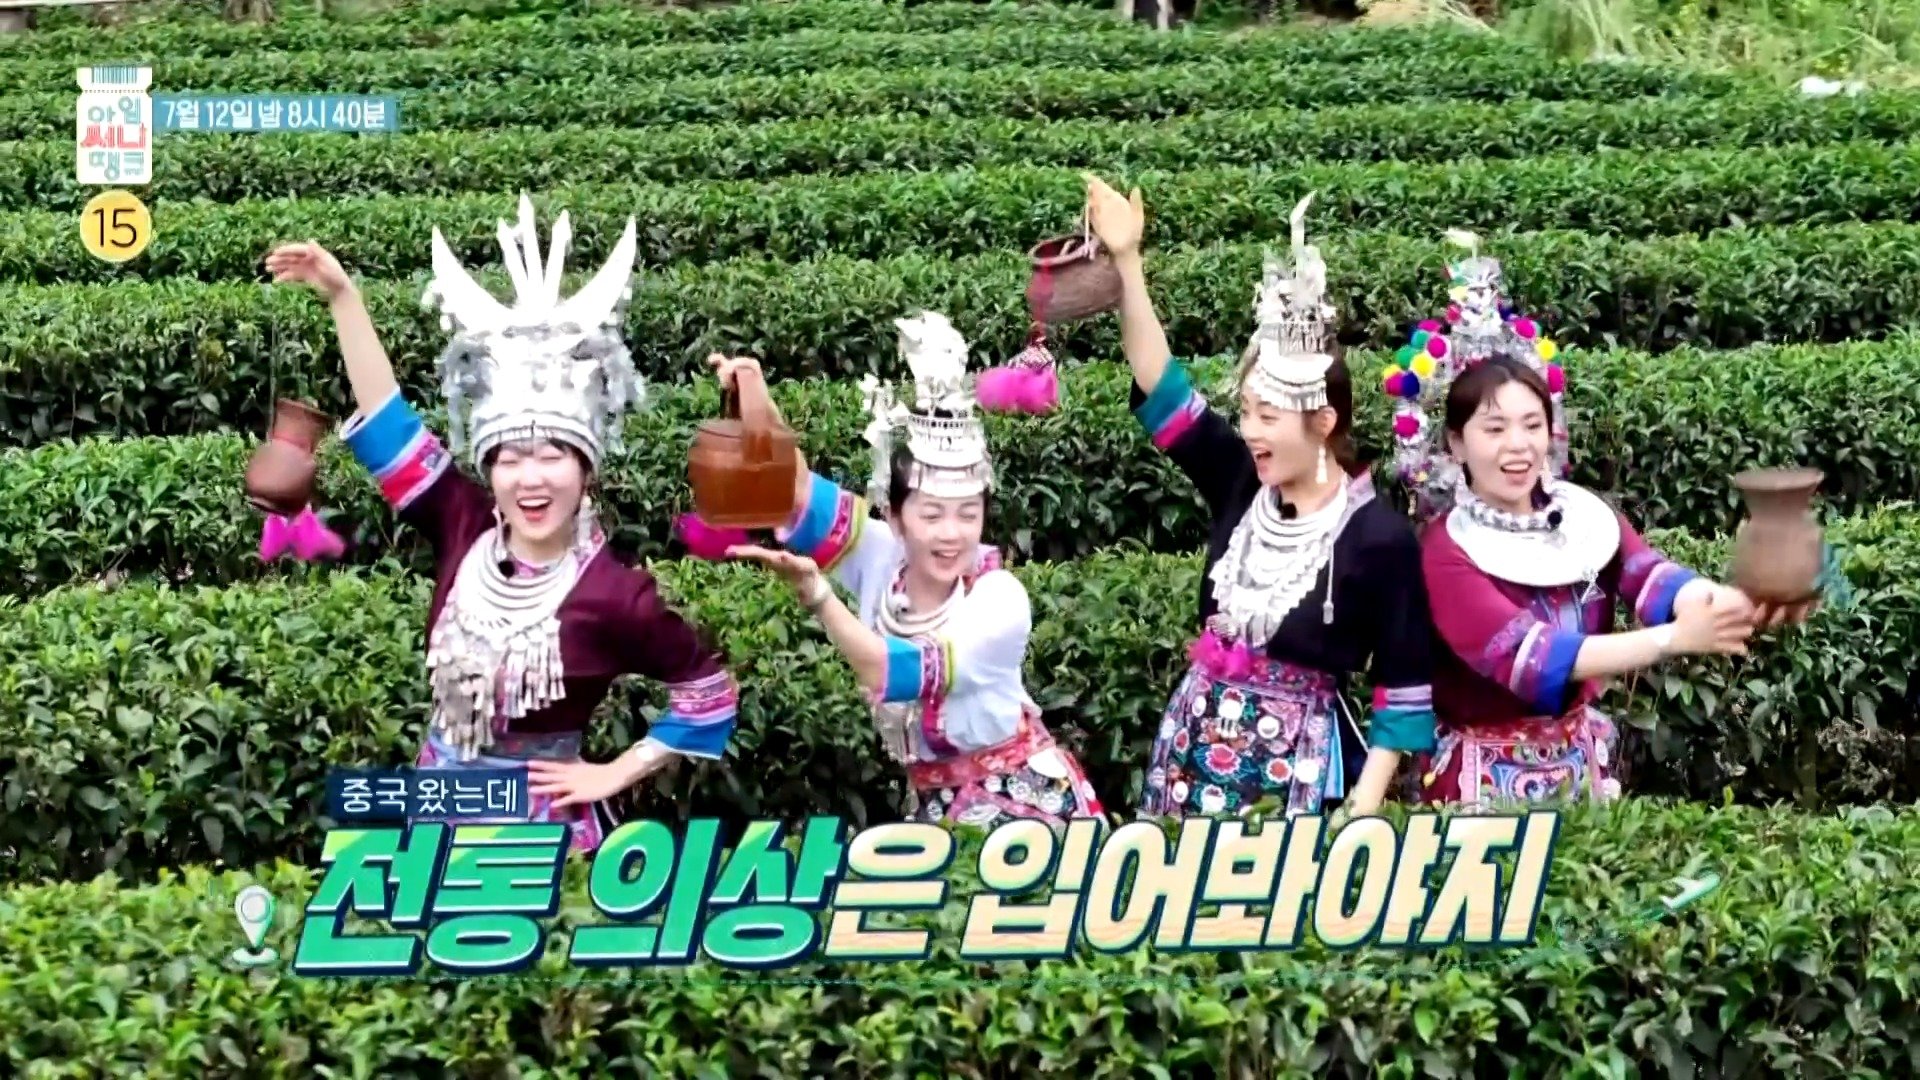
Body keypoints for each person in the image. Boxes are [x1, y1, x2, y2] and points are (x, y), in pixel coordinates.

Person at [263, 197, 741, 854]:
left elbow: (708, 695)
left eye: (552, 457)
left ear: (585, 470)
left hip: (544, 843)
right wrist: (344, 298)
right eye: (511, 459)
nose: (531, 479)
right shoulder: (461, 522)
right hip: (436, 818)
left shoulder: (616, 594)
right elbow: (388, 418)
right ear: (489, 470)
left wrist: (614, 772)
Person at [1083, 175, 1436, 819]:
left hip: (1302, 767)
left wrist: (1363, 808)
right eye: (1246, 411)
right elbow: (1161, 385)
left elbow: (1403, 684)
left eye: (1268, 417)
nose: (1249, 431)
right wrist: (1127, 260)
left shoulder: (1379, 537)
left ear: (1323, 422)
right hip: (1194, 747)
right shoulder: (1241, 479)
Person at [1387, 235, 1777, 809]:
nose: (1518, 445)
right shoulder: (1444, 552)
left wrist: (1722, 600)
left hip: (1579, 766)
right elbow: (1532, 659)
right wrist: (1674, 639)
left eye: (1532, 425)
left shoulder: (1582, 516)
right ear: (1456, 443)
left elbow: (1649, 576)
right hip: (1478, 784)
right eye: (1494, 429)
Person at [681, 313, 1105, 830]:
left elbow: (894, 673)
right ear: (895, 517)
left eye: (968, 515)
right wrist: (754, 395)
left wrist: (819, 596)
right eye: (932, 514)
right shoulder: (881, 553)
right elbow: (795, 491)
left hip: (1025, 811)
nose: (951, 533)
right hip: (935, 805)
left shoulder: (999, 598)